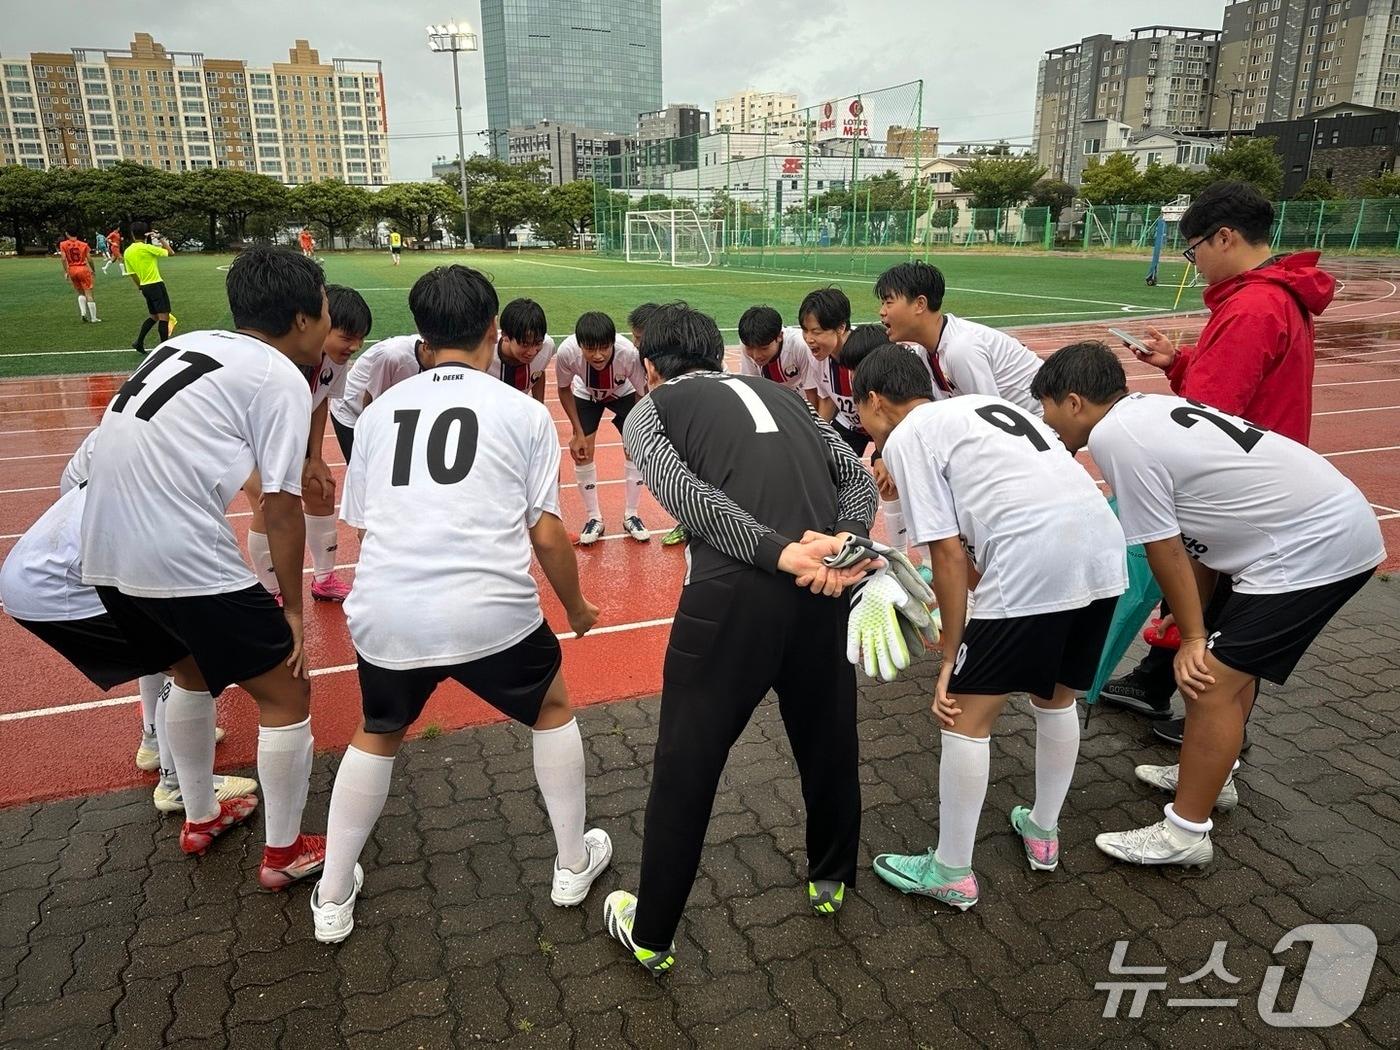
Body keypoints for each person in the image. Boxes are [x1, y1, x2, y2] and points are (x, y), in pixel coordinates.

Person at [312, 265, 609, 943]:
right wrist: (577, 607)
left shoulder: (379, 412)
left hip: (388, 610)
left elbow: (364, 525)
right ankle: (571, 864)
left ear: (421, 334)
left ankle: (332, 896)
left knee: (378, 730)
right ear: (493, 329)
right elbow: (546, 533)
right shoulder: (523, 412)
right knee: (551, 709)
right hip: (491, 608)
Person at [602, 302, 880, 974]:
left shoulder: (650, 409)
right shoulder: (784, 397)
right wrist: (845, 541)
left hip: (733, 599)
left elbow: (686, 496)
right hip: (823, 590)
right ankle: (830, 878)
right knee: (829, 740)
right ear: (718, 351)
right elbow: (856, 477)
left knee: (687, 763)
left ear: (649, 365)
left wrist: (779, 552)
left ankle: (653, 932)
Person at [1034, 341, 1384, 867]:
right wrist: (1187, 614)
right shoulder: (1145, 411)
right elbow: (1197, 531)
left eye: (1047, 409)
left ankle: (1185, 834)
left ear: (1074, 402)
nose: (1047, 423)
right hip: (1311, 534)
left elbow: (1163, 544)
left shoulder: (1113, 437)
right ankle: (1212, 775)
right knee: (1229, 674)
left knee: (1209, 680)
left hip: (1311, 550)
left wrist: (1194, 637)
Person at [79, 246, 330, 886]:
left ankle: (200, 814)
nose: (329, 324)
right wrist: (293, 610)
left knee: (188, 672)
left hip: (103, 550)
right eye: (326, 311)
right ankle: (284, 853)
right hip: (179, 553)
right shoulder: (279, 376)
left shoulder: (181, 344)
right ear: (302, 318)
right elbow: (280, 505)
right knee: (287, 690)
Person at [854, 346, 1126, 908]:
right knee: (1056, 698)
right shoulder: (982, 408)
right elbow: (976, 544)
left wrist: (950, 656)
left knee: (962, 715)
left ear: (874, 401)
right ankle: (1043, 832)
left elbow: (948, 555)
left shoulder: (906, 436)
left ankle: (951, 870)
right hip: (1101, 549)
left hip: (1032, 557)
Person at [1098, 181, 1338, 737]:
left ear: (1224, 237)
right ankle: (1163, 687)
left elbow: (1206, 414)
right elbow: (1230, 390)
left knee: (1221, 616)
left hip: (1240, 487)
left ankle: (1215, 739)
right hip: (1261, 472)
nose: (1196, 263)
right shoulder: (1272, 295)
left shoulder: (1254, 306)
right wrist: (1177, 362)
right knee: (1213, 605)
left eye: (1194, 249)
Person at [1, 482, 257, 813]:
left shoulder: (134, 459)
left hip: (34, 573)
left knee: (160, 644)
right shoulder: (170, 487)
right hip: (57, 590)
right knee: (192, 665)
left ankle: (155, 740)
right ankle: (177, 786)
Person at [245, 286, 373, 604]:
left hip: (294, 441)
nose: (355, 346)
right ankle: (271, 593)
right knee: (270, 508)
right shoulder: (278, 362)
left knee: (321, 489)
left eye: (360, 339)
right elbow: (254, 421)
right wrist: (266, 474)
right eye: (347, 337)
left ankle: (324, 580)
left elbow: (320, 401)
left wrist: (315, 457)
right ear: (321, 324)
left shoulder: (336, 361)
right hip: (253, 446)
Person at [876, 261, 1043, 415]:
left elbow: (991, 418)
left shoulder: (961, 349)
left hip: (1043, 422)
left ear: (920, 304)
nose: (882, 312)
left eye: (888, 303)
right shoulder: (926, 351)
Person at [555, 312, 650, 545]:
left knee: (633, 447)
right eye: (590, 349)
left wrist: (635, 430)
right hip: (586, 393)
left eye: (604, 348)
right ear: (580, 345)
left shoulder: (628, 354)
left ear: (613, 343)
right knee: (582, 451)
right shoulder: (567, 352)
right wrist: (577, 432)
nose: (598, 355)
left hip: (623, 393)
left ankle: (632, 515)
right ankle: (594, 518)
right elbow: (564, 389)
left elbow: (642, 393)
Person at [328, 332, 433, 462]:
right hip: (351, 410)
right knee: (364, 465)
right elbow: (371, 402)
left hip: (384, 404)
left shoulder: (435, 349)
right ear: (426, 347)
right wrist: (371, 439)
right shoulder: (394, 357)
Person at [738, 305, 820, 408]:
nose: (756, 356)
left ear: (780, 336)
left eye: (764, 348)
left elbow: (812, 391)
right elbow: (752, 386)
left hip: (802, 403)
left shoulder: (800, 345)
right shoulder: (747, 342)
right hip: (775, 402)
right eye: (750, 348)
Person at [488, 297, 556, 402]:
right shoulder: (485, 352)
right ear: (505, 336)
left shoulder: (547, 346)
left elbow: (539, 371)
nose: (532, 352)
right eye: (525, 344)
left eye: (538, 343)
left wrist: (540, 404)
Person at [125, 222, 175, 355]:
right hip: (156, 284)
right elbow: (171, 252)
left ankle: (139, 342)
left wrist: (140, 287)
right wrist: (160, 238)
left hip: (145, 286)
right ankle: (164, 349)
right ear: (146, 234)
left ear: (132, 234)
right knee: (164, 316)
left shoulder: (128, 251)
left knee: (154, 316)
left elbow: (132, 273)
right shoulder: (147, 248)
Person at [59, 229, 99, 324]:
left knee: (80, 292)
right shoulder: (83, 244)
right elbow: (89, 259)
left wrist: (66, 271)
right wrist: (93, 270)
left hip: (72, 269)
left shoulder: (63, 244)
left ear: (67, 234)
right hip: (83, 268)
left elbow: (63, 259)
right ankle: (93, 318)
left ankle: (83, 313)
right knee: (88, 293)